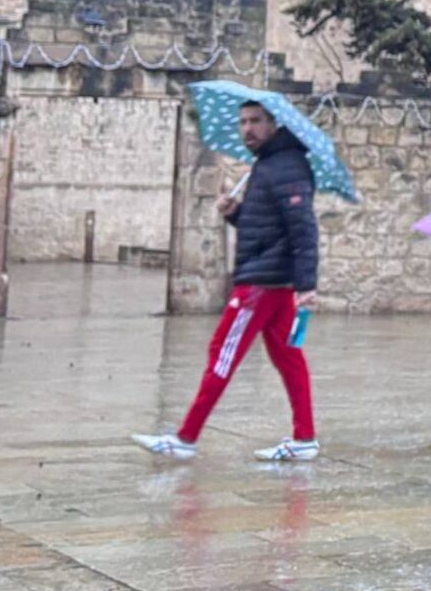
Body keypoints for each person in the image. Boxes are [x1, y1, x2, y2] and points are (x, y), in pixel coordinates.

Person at [132, 100, 322, 462]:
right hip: (269, 279)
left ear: (273, 124)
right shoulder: (267, 165)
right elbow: (266, 229)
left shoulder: (286, 167)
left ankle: (185, 438)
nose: (247, 129)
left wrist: (306, 285)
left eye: (255, 121)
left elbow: (303, 229)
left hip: (263, 284)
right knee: (288, 357)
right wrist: (237, 214)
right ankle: (305, 438)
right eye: (243, 122)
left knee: (223, 353)